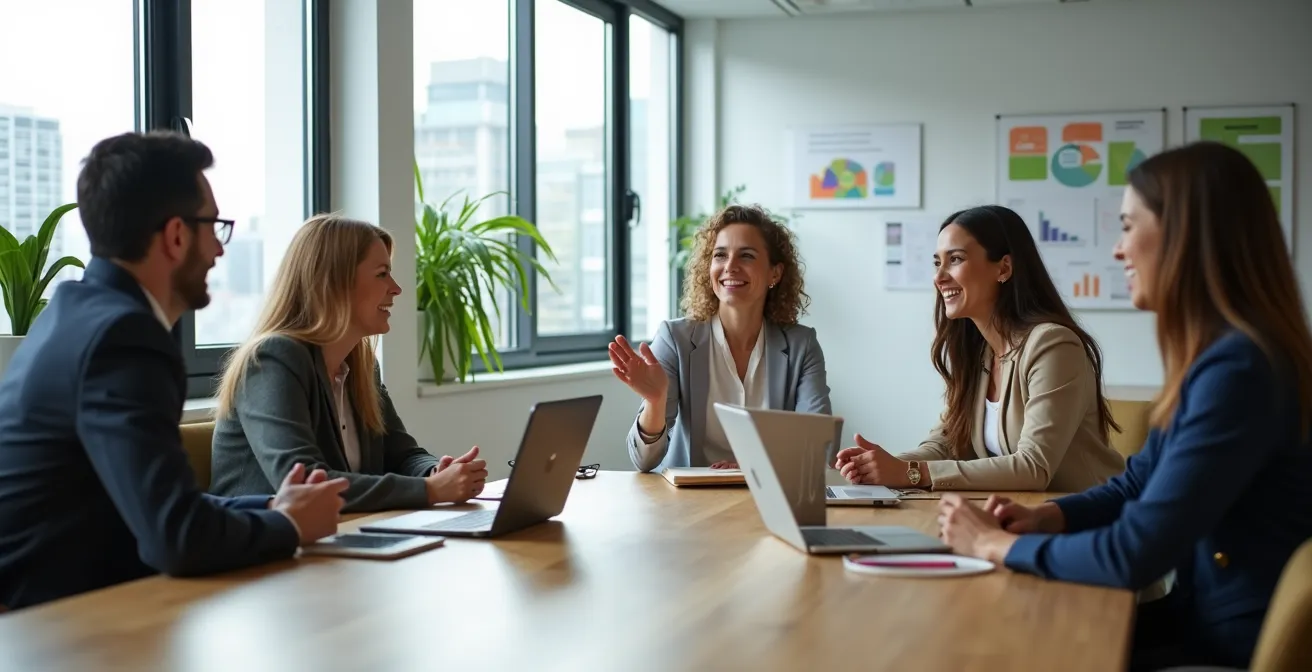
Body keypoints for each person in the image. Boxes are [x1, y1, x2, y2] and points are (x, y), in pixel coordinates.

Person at [937, 142, 1312, 670]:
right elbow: (1137, 483)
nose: (1118, 250)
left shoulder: (1240, 370)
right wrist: (1046, 517)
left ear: (1186, 236)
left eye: (1129, 226)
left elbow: (1134, 553)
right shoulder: (1220, 357)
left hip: (1223, 644)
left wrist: (997, 546)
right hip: (1198, 618)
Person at [0, 131, 348, 610]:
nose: (219, 251)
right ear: (177, 235)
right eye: (215, 228)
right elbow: (176, 536)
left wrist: (272, 506)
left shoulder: (75, 313)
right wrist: (289, 525)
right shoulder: (123, 339)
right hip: (56, 625)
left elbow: (161, 507)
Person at [833, 205, 1125, 491]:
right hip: (1023, 514)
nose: (939, 277)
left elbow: (1034, 467)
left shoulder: (1053, 346)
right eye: (937, 262)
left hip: (1088, 521)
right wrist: (880, 466)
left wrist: (909, 473)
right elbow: (945, 443)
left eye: (955, 259)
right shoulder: (978, 352)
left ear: (1004, 267)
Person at [209, 215, 488, 512]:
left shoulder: (362, 367)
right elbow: (305, 485)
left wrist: (435, 472)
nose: (396, 289)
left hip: (340, 537)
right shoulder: (273, 360)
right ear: (335, 283)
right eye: (382, 274)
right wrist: (429, 490)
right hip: (265, 549)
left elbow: (403, 454)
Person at [610, 203, 836, 472]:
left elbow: (820, 445)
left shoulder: (801, 345)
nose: (730, 267)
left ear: (774, 273)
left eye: (747, 256)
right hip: (688, 503)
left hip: (766, 496)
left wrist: (755, 466)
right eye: (720, 255)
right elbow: (643, 462)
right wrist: (656, 402)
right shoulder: (675, 339)